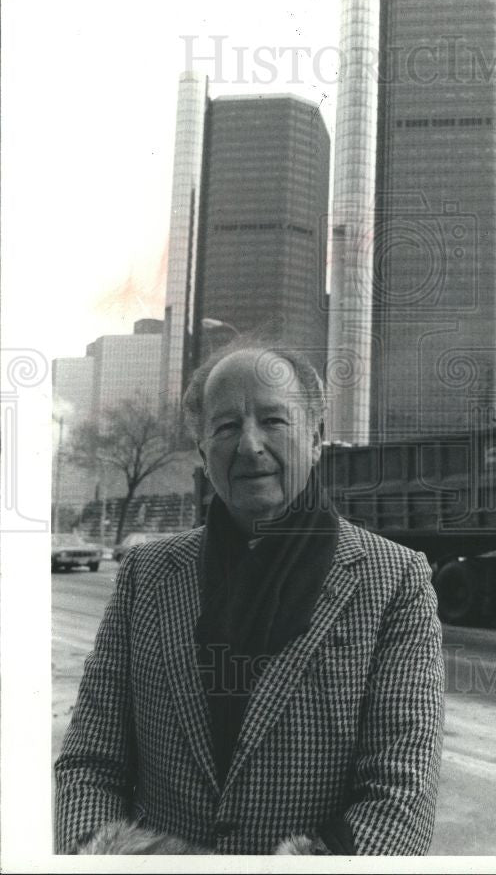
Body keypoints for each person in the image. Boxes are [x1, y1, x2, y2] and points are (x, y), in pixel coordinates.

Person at [54, 339, 445, 855]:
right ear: (202, 450)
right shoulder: (145, 575)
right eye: (226, 426)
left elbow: (401, 791)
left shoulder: (395, 579)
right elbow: (89, 762)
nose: (249, 444)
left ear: (317, 437)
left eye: (274, 421)